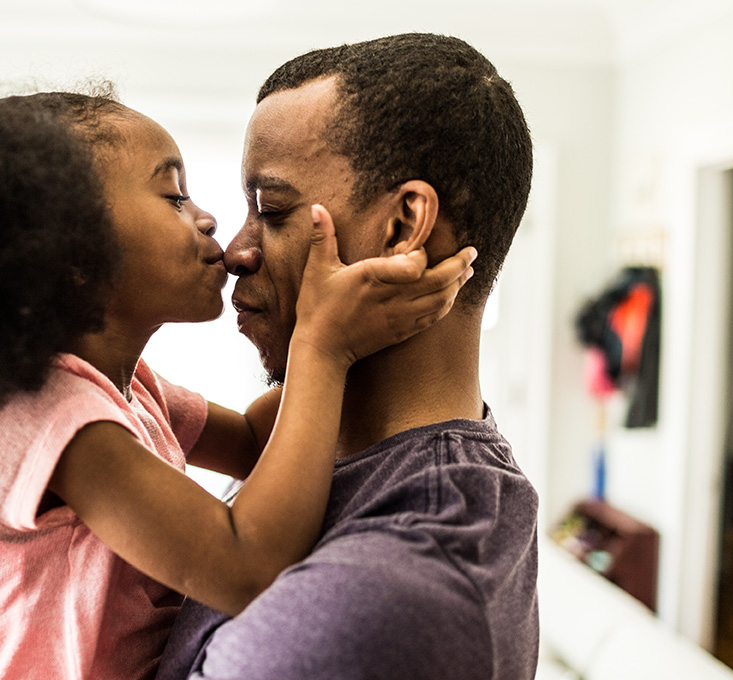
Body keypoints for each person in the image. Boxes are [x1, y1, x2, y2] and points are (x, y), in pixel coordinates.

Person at [0, 92, 474, 679]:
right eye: (173, 197)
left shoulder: (132, 390)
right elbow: (246, 565)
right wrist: (323, 347)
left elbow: (254, 440)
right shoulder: (57, 420)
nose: (209, 219)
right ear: (72, 251)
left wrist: (363, 336)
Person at [158, 33, 540, 680]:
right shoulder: (323, 434)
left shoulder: (374, 602)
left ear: (400, 227)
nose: (236, 250)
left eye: (272, 209)